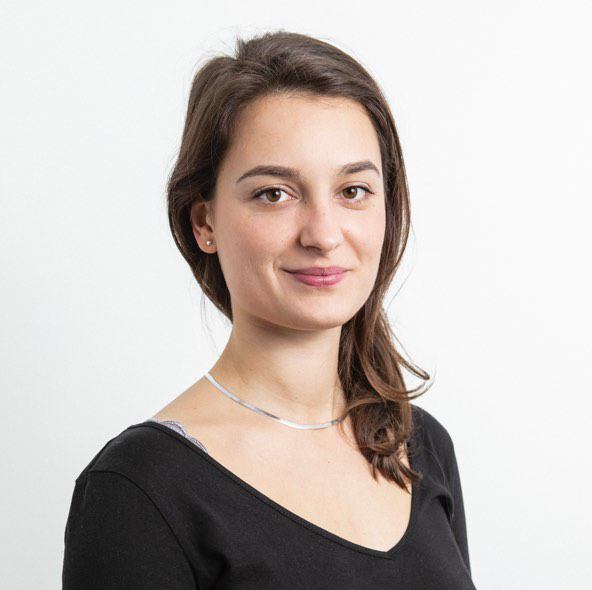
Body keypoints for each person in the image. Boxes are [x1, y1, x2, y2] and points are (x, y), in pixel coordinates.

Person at [62, 30, 476, 589]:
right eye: (274, 193)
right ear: (204, 222)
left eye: (353, 190)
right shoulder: (140, 490)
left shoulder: (420, 446)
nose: (324, 234)